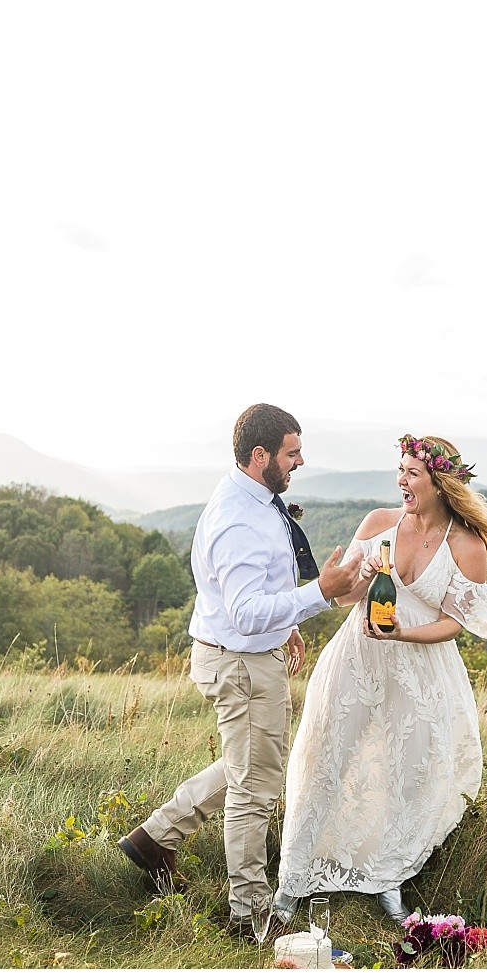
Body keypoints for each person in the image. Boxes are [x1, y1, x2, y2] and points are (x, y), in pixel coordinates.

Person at [118, 403, 362, 943]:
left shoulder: (254, 499)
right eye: (292, 453)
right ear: (260, 456)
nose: (300, 461)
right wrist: (321, 592)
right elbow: (247, 612)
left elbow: (254, 597)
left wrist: (291, 622)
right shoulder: (237, 519)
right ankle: (250, 916)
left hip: (249, 653)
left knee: (247, 764)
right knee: (255, 788)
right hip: (242, 664)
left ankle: (156, 837)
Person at [273, 434, 487, 926]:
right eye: (400, 470)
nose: (402, 480)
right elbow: (344, 599)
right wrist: (354, 581)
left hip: (421, 670)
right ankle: (292, 881)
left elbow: (454, 623)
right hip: (355, 661)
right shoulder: (380, 523)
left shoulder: (466, 546)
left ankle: (386, 877)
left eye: (412, 473)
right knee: (325, 759)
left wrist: (404, 632)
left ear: (439, 483)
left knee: (409, 772)